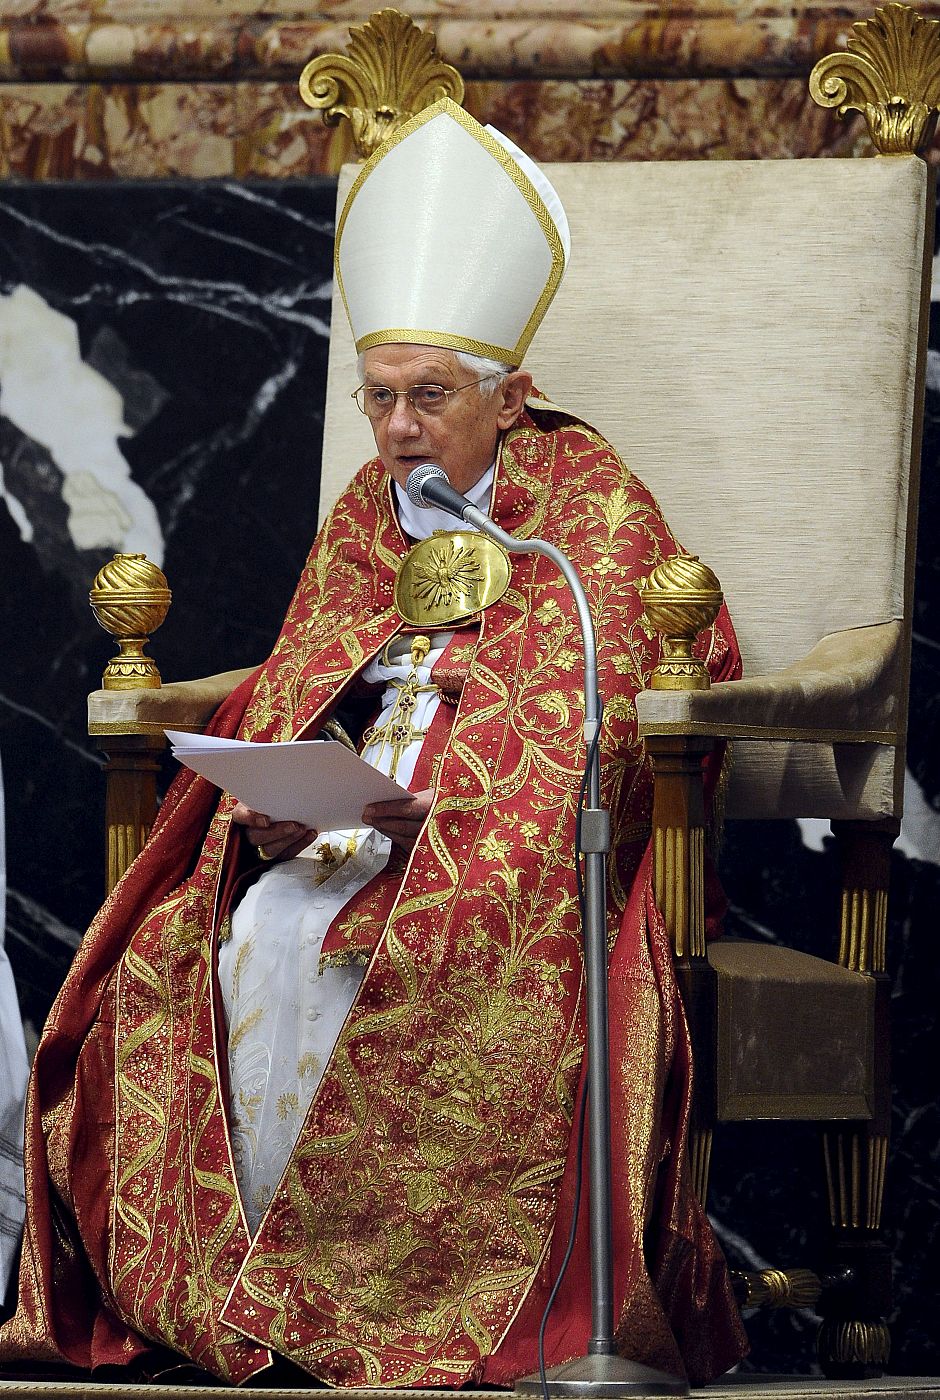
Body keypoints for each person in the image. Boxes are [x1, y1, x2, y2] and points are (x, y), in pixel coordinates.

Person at [0, 99, 747, 1386]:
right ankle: (237, 1290)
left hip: (506, 856)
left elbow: (622, 698)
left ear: (511, 397)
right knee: (228, 935)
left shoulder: (593, 511)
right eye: (381, 397)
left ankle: (379, 1303)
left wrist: (440, 818)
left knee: (396, 953)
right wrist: (281, 803)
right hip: (348, 829)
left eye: (430, 398)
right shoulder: (366, 508)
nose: (399, 429)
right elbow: (303, 678)